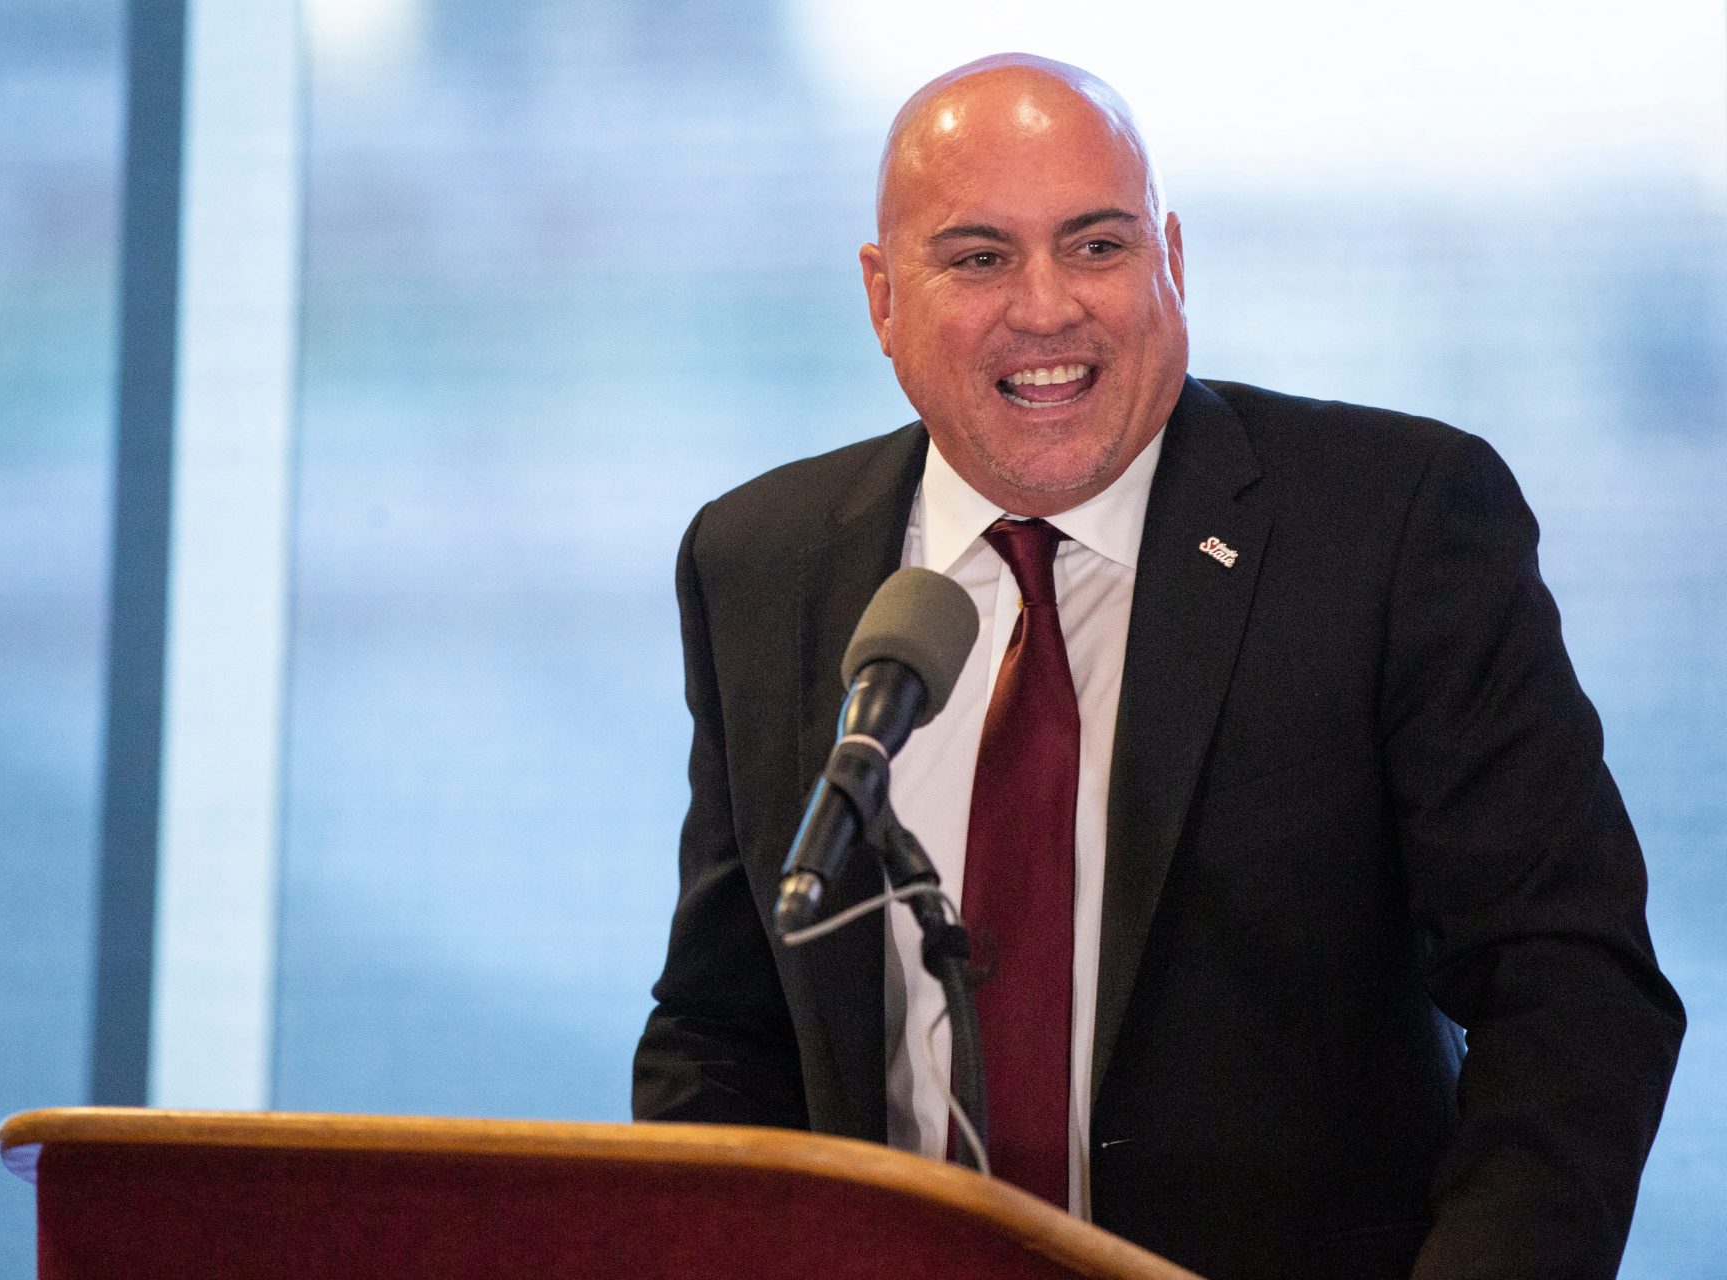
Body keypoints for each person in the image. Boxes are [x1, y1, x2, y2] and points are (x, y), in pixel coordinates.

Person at [631, 53, 1683, 1280]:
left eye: (1096, 246)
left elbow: (1570, 991)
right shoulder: (762, 560)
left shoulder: (1393, 526)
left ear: (1170, 258)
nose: (1045, 307)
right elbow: (721, 1022)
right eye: (978, 257)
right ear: (880, 295)